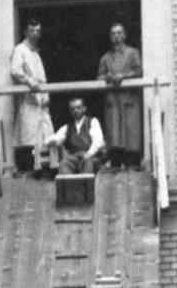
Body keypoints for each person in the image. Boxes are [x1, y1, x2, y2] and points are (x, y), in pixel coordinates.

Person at [9, 18, 53, 178]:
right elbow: (15, 71)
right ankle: (30, 171)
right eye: (32, 31)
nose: (35, 34)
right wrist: (29, 81)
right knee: (29, 136)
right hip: (29, 99)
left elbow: (42, 79)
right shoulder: (20, 50)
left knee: (46, 135)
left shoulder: (36, 53)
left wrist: (46, 95)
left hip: (41, 101)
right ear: (25, 32)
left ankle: (43, 170)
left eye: (38, 31)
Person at [97, 23, 143, 170]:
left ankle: (132, 163)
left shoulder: (133, 53)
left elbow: (139, 71)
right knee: (114, 132)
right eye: (113, 33)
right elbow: (99, 77)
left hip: (128, 98)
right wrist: (108, 77)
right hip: (113, 100)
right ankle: (116, 163)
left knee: (130, 131)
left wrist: (123, 76)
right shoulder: (105, 58)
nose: (116, 36)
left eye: (119, 33)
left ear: (124, 35)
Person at [48, 95, 106, 175]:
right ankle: (67, 183)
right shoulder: (68, 127)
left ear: (84, 108)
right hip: (74, 157)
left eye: (78, 108)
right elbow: (57, 137)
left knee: (87, 163)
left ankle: (86, 183)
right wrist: (52, 141)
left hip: (90, 156)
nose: (75, 111)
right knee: (64, 163)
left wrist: (89, 154)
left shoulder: (92, 122)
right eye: (73, 109)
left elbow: (98, 141)